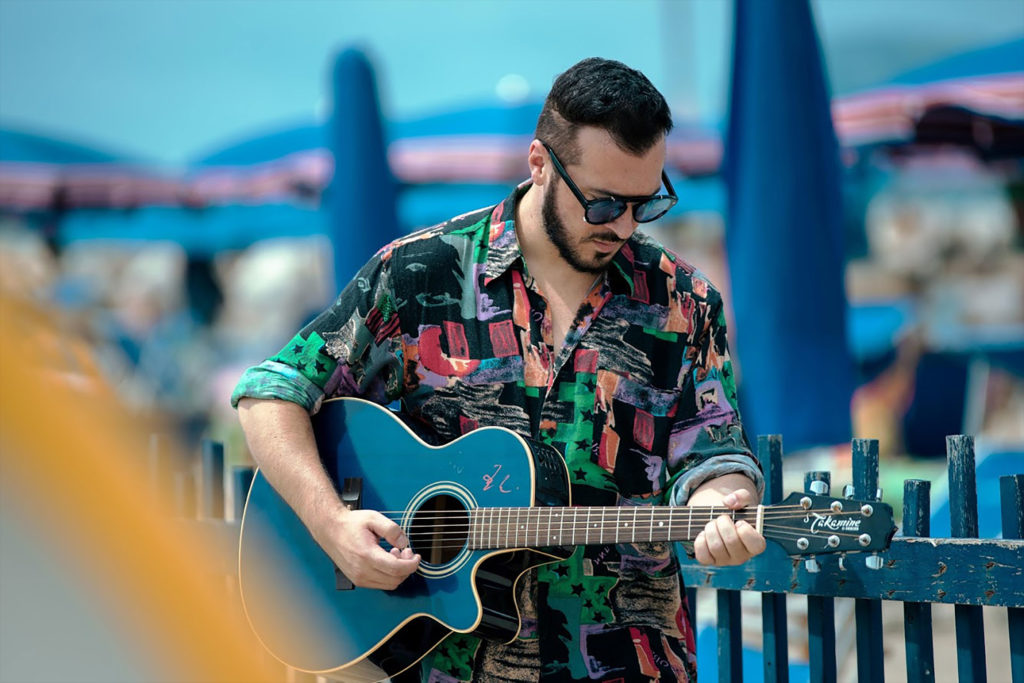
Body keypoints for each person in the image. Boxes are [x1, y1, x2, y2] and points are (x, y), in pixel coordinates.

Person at [233, 57, 766, 682]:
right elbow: (269, 393)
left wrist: (725, 504)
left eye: (644, 204)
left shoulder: (684, 300)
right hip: (448, 667)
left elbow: (713, 448)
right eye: (602, 204)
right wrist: (331, 522)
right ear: (539, 164)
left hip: (629, 662)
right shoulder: (417, 276)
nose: (622, 226)